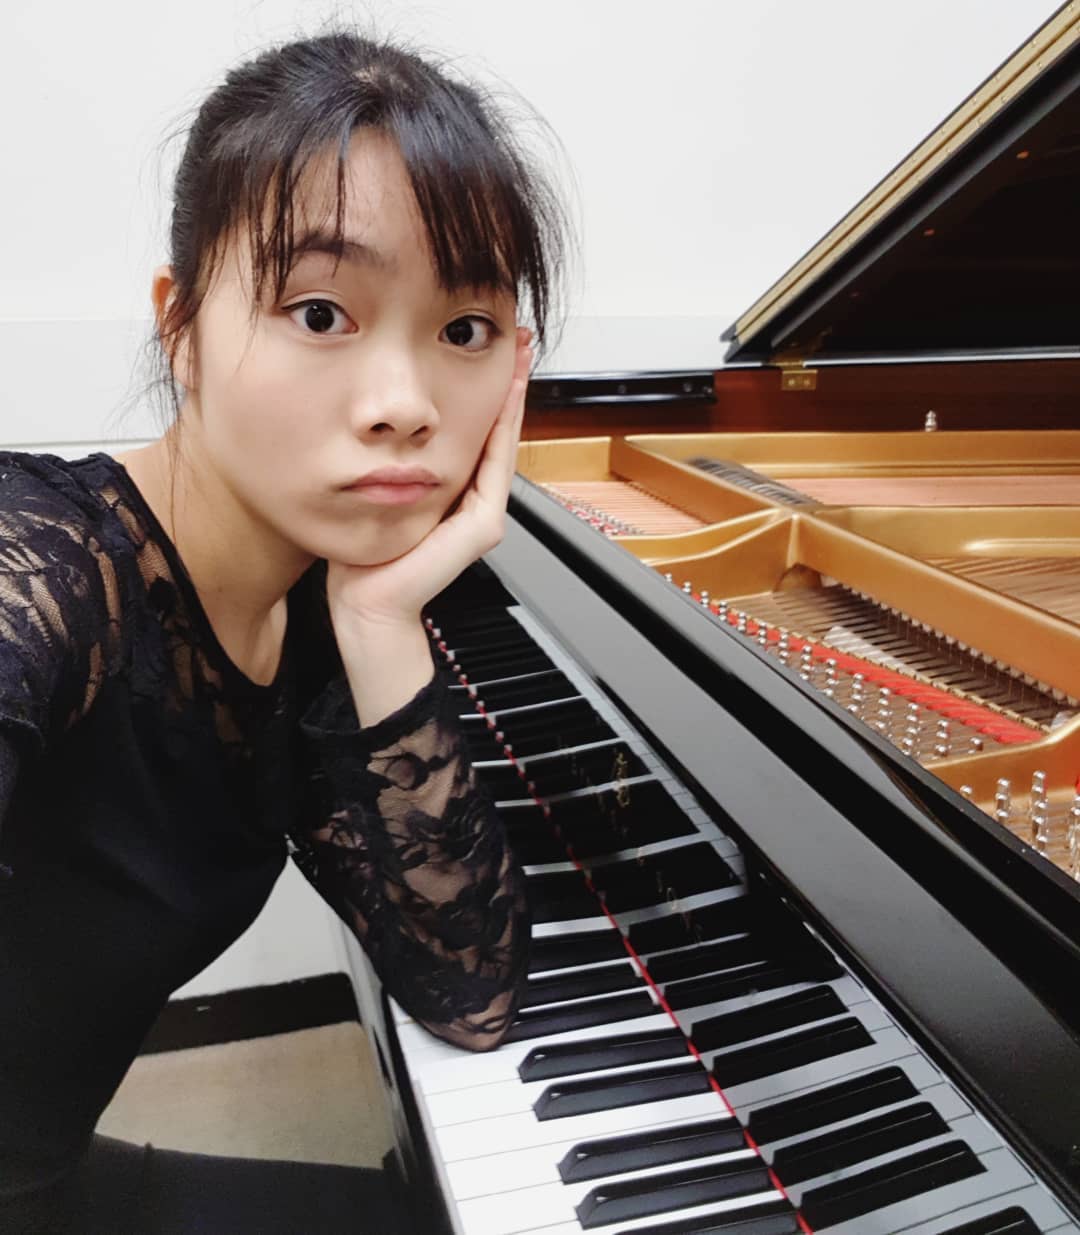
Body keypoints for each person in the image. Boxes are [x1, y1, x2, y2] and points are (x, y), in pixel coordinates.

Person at [0, 26, 565, 1233]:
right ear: (180, 327)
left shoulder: (307, 619)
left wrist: (382, 620)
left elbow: (470, 991)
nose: (405, 406)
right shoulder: (38, 570)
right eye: (320, 311)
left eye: (465, 331)